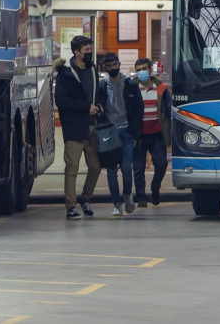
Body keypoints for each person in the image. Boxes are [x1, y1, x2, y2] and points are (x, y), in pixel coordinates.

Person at [54, 35, 107, 219]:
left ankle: (86, 198)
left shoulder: (92, 69)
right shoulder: (66, 73)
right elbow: (61, 100)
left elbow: (97, 92)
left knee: (96, 166)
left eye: (90, 49)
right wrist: (86, 107)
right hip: (74, 128)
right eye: (86, 50)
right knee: (72, 168)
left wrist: (99, 105)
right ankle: (71, 206)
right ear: (77, 52)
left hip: (92, 126)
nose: (90, 53)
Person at [99, 52, 143, 216]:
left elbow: (138, 107)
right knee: (111, 171)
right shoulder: (102, 86)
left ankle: (127, 195)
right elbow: (99, 108)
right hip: (110, 133)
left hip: (126, 131)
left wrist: (133, 128)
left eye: (114, 65)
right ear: (105, 67)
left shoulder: (130, 84)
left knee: (126, 167)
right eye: (108, 66)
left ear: (119, 64)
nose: (112, 68)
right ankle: (116, 204)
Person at [133, 57, 172, 208]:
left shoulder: (160, 87)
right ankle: (141, 197)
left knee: (161, 164)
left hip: (156, 134)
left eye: (144, 69)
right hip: (139, 135)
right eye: (138, 70)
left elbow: (167, 109)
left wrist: (168, 132)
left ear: (150, 69)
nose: (141, 72)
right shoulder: (132, 87)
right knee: (138, 168)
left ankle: (155, 187)